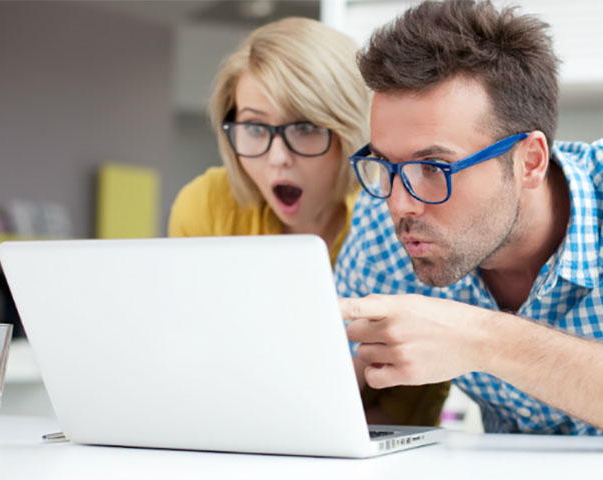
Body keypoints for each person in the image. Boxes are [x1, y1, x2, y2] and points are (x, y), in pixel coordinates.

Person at [334, 1, 603, 478]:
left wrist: (483, 338)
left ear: (529, 161)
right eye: (386, 165)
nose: (399, 203)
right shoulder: (385, 226)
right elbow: (324, 387)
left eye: (433, 168)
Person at [168, 17, 449, 427]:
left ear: (349, 130)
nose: (277, 158)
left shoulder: (395, 225)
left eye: (304, 127)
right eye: (254, 127)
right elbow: (189, 358)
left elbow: (407, 411)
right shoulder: (206, 206)